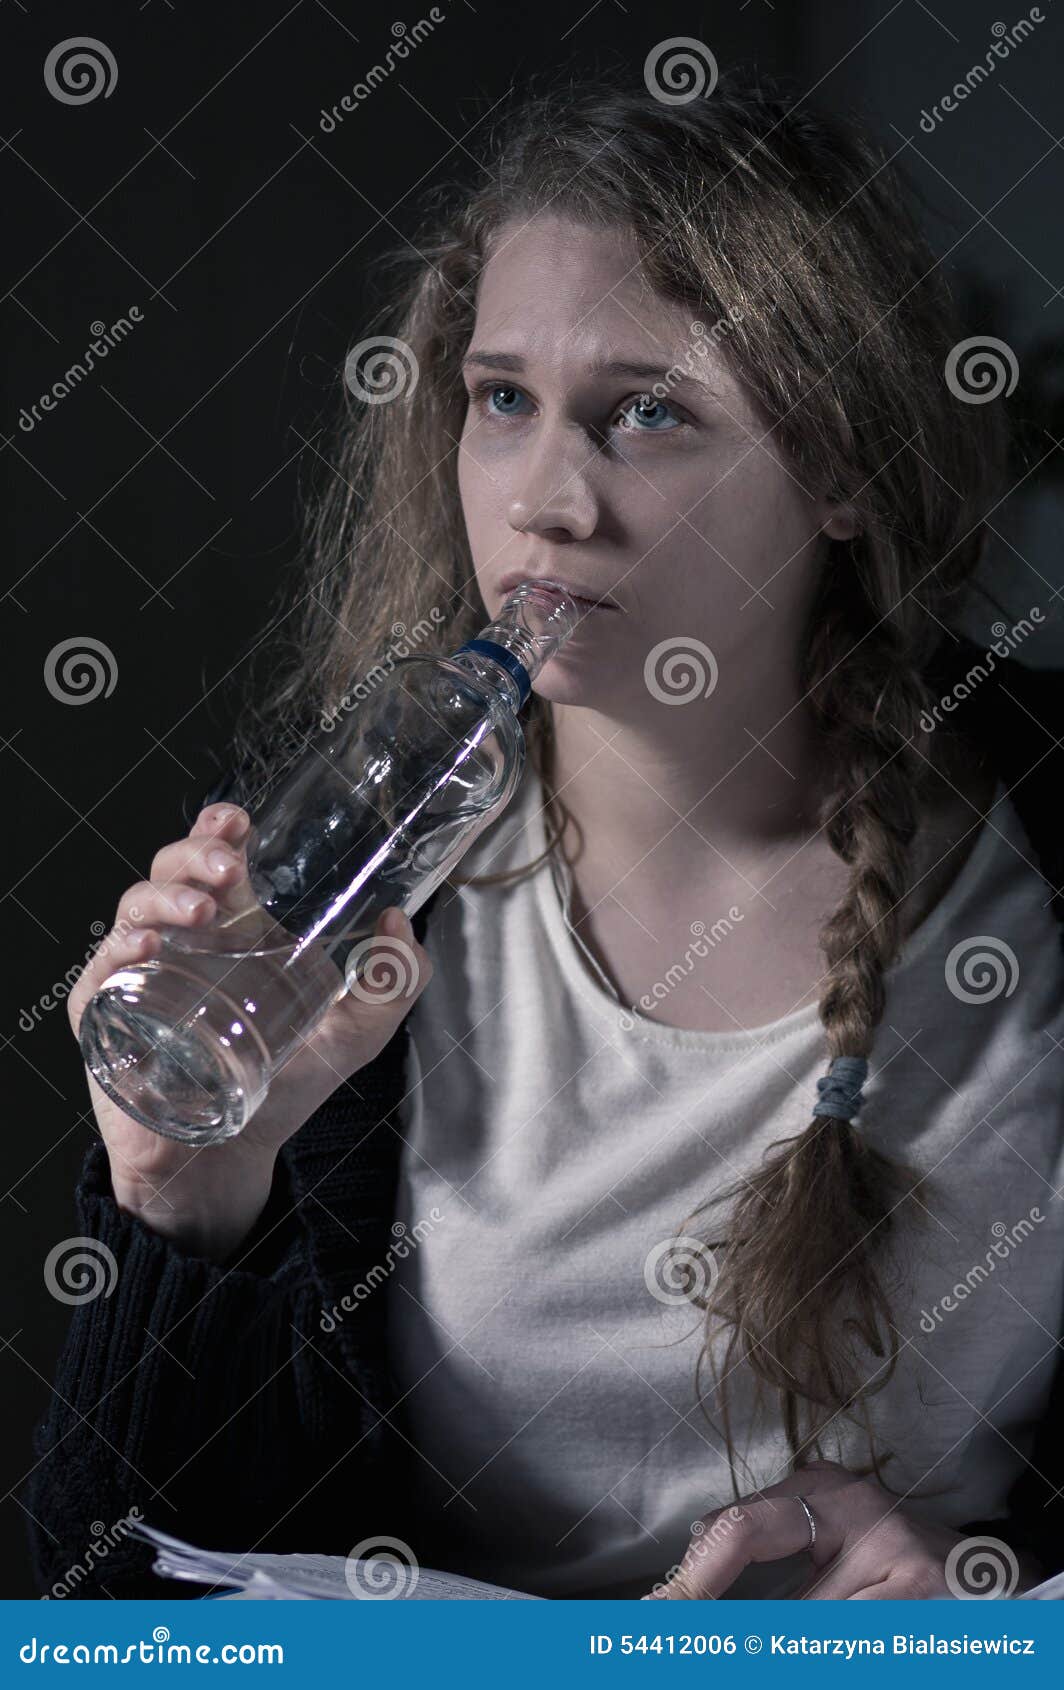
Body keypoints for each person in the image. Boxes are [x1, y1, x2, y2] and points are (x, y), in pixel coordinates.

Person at [25, 69, 1064, 1601]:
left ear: (842, 469)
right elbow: (107, 1598)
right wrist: (193, 1204)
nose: (545, 502)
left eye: (645, 413)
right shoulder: (332, 887)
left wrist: (983, 1570)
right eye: (502, 400)